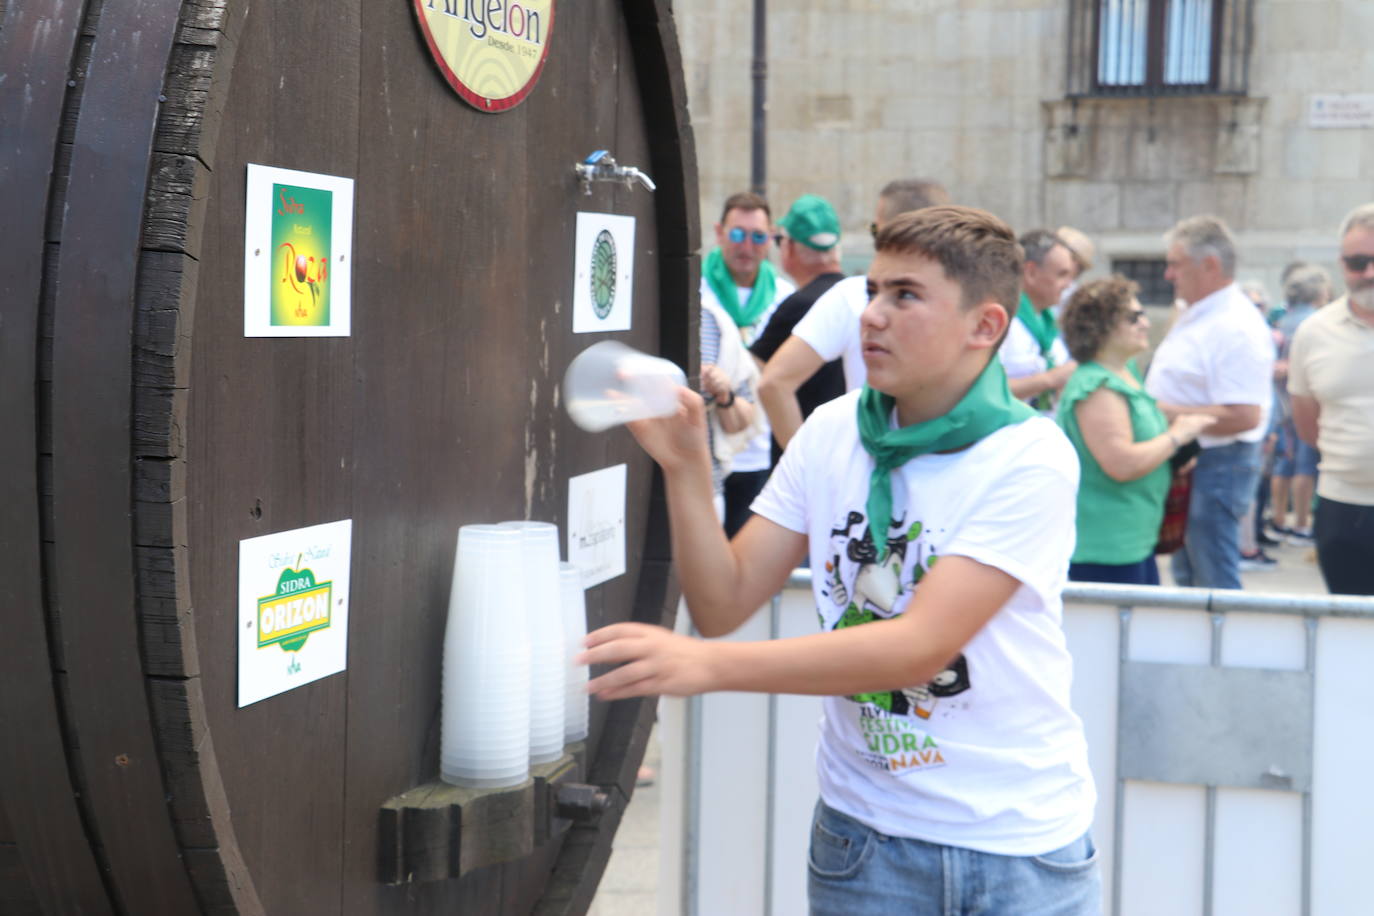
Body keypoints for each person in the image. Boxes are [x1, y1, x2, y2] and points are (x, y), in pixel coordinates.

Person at [581, 206, 1100, 915]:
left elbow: (917, 649)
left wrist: (706, 666)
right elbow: (723, 600)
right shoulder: (832, 430)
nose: (872, 316)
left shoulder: (1029, 456)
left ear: (984, 327)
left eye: (906, 295)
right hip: (868, 846)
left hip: (1017, 848)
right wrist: (685, 468)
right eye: (873, 290)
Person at [758, 179, 951, 449]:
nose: (872, 316)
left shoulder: (849, 296)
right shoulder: (967, 301)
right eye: (873, 293)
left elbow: (773, 382)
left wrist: (810, 471)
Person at [1057, 277, 1216, 584]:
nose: (1144, 322)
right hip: (1106, 548)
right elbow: (1121, 463)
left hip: (1132, 539)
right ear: (1100, 325)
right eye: (1133, 317)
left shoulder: (1123, 372)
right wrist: (1177, 436)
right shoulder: (1096, 385)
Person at [1145, 215, 1274, 590]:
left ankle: (1228, 648)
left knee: (1213, 578)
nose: (1168, 274)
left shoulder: (1234, 325)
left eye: (1175, 264)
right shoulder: (1202, 312)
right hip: (1200, 461)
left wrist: (1163, 413)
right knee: (1191, 575)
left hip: (1219, 464)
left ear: (1210, 265)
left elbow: (1243, 415)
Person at [1287, 203, 1374, 595]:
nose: (1369, 273)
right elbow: (1307, 422)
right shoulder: (1314, 332)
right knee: (1349, 636)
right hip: (1341, 506)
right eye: (1358, 262)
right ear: (1341, 265)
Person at [701, 191, 796, 536]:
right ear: (719, 232)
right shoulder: (697, 289)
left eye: (758, 236)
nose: (747, 246)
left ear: (771, 238)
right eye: (737, 234)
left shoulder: (785, 297)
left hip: (757, 450)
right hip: (705, 453)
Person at [750, 194, 848, 463]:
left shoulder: (798, 305)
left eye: (780, 241)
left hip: (814, 458)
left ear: (790, 247)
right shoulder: (859, 296)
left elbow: (758, 377)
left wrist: (802, 465)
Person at [1268, 264, 1329, 545]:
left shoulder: (1284, 319)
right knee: (1306, 464)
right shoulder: (1318, 322)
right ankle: (1302, 524)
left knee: (1284, 464)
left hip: (1280, 402)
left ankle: (1280, 518)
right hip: (1306, 399)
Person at [1001, 230, 1078, 413]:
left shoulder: (1048, 321)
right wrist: (1049, 380)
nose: (1069, 284)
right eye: (1062, 274)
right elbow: (982, 391)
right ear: (1031, 272)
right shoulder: (1002, 322)